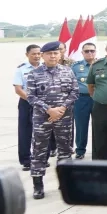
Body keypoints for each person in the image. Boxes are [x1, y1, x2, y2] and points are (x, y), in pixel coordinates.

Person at [26, 41, 79, 199]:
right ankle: (38, 185)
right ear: (43, 55)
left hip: (64, 117)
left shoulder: (68, 71)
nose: (53, 56)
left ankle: (65, 183)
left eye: (56, 53)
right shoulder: (34, 74)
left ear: (60, 54)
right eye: (49, 53)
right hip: (42, 118)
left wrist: (61, 108)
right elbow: (31, 96)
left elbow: (74, 92)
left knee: (65, 150)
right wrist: (49, 110)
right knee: (39, 150)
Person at [71, 42, 97, 160]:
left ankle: (98, 151)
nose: (90, 53)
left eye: (92, 50)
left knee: (99, 127)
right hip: (81, 99)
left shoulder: (101, 65)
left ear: (96, 52)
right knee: (81, 126)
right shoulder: (75, 66)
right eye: (87, 51)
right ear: (82, 53)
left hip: (98, 100)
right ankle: (80, 150)